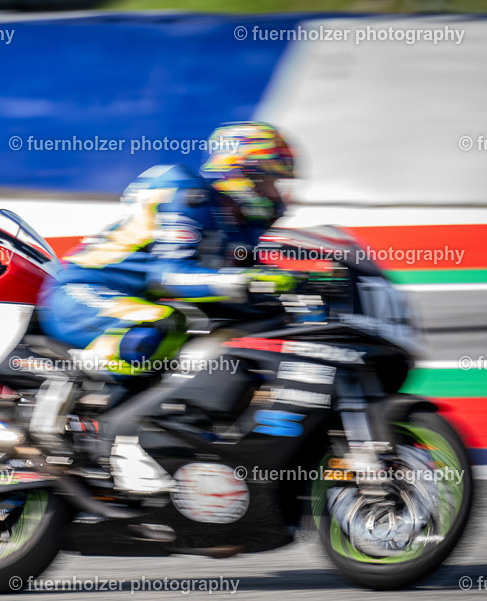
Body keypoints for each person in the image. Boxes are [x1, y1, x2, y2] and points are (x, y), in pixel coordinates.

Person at [35, 122, 297, 492]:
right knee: (162, 325)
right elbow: (169, 276)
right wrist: (245, 280)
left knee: (216, 333)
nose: (275, 193)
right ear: (242, 174)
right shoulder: (188, 193)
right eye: (268, 181)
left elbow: (246, 295)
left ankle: (161, 432)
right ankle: (75, 413)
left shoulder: (238, 226)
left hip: (130, 304)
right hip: (80, 292)